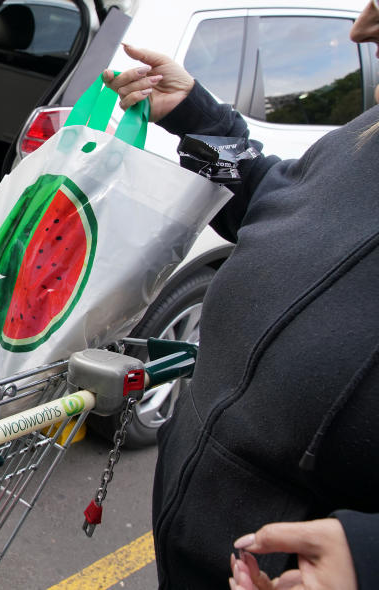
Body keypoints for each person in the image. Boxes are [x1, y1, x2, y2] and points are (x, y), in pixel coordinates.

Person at [101, 1, 379, 588]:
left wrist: (370, 556)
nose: (361, 28)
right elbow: (273, 199)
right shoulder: (366, 138)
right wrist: (194, 114)